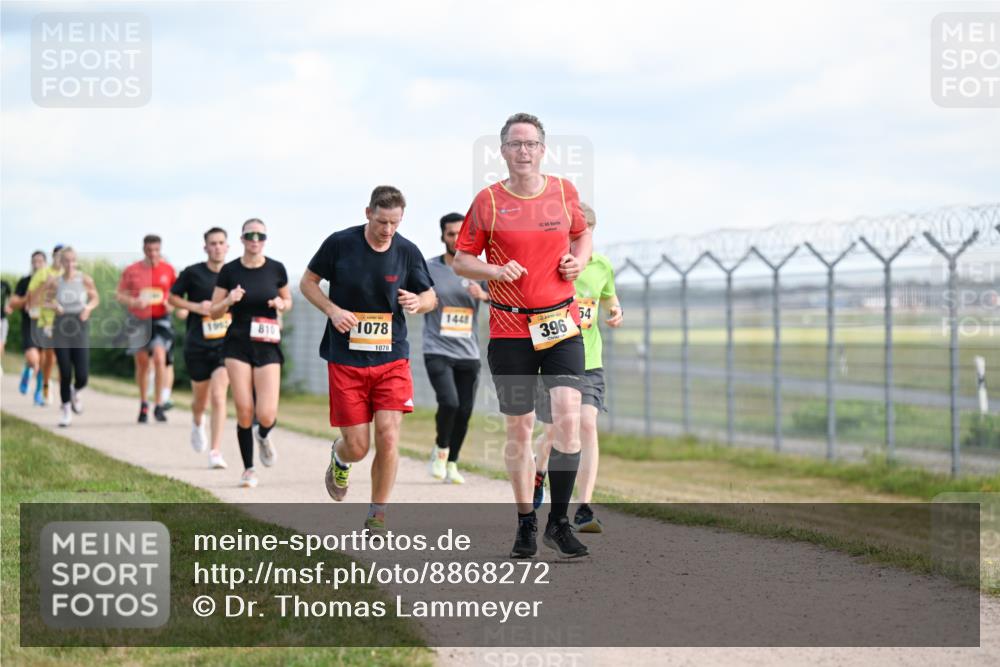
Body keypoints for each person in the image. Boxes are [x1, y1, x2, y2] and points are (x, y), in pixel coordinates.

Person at [453, 113, 593, 559]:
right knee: (520, 428)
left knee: (569, 416)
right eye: (515, 144)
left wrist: (579, 262)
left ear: (543, 149)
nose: (524, 151)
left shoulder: (562, 192)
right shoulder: (488, 202)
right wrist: (494, 270)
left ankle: (559, 521)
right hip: (510, 327)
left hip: (559, 324)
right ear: (503, 152)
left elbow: (581, 233)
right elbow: (462, 260)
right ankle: (525, 523)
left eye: (531, 144)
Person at [300, 185, 435, 532]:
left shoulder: (407, 251)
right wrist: (332, 309)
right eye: (382, 221)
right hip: (347, 360)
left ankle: (377, 513)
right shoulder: (340, 244)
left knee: (388, 436)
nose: (387, 230)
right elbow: (308, 283)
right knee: (358, 447)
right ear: (368, 213)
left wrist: (420, 303)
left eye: (394, 223)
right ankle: (341, 458)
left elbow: (429, 295)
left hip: (392, 359)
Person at [532, 203, 623, 532]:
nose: (577, 244)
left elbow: (609, 299)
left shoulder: (601, 266)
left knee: (587, 424)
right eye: (571, 237)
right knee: (555, 431)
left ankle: (584, 507)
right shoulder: (547, 264)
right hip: (554, 358)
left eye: (583, 237)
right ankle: (538, 472)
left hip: (590, 361)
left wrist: (615, 312)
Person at [210, 218, 291, 488]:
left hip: (267, 344)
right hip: (237, 344)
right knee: (245, 410)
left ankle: (264, 435)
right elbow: (213, 310)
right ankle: (248, 469)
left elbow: (287, 300)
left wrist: (282, 303)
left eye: (260, 236)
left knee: (266, 414)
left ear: (265, 239)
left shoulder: (277, 268)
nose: (255, 240)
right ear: (242, 239)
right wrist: (229, 300)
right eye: (250, 235)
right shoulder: (230, 271)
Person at [422, 212, 489, 484]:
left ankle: (452, 463)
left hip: (468, 352)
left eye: (461, 233)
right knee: (449, 402)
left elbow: (498, 300)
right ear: (442, 237)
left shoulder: (479, 268)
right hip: (437, 348)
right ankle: (440, 449)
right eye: (451, 234)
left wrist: (482, 295)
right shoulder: (428, 268)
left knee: (464, 410)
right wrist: (424, 299)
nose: (456, 239)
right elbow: (415, 295)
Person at [169, 227, 232, 468]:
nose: (217, 247)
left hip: (225, 345)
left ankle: (215, 451)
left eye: (221, 243)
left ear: (227, 246)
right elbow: (172, 298)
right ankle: (197, 422)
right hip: (197, 344)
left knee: (219, 395)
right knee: (200, 401)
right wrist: (197, 307)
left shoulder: (234, 273)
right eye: (212, 243)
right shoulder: (192, 273)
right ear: (206, 247)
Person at [116, 235, 177, 423]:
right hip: (138, 319)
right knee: (142, 362)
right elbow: (119, 295)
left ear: (160, 249)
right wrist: (134, 301)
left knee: (160, 357)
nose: (153, 254)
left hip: (161, 319)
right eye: (149, 250)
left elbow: (177, 297)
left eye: (156, 250)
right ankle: (144, 403)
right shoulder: (131, 270)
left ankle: (158, 404)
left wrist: (171, 305)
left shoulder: (168, 270)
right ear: (144, 250)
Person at [44, 247, 99, 427]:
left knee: (82, 375)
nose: (69, 264)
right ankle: (66, 410)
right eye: (65, 261)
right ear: (60, 262)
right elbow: (46, 300)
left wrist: (88, 308)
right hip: (61, 325)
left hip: (79, 324)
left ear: (76, 261)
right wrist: (54, 306)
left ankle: (76, 392)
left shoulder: (84, 279)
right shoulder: (55, 281)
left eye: (72, 260)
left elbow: (95, 298)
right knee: (65, 372)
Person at [27, 245, 65, 405]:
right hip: (46, 322)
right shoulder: (43, 273)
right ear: (54, 256)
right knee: (49, 356)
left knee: (63, 357)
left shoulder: (70, 274)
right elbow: (31, 298)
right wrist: (46, 284)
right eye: (58, 255)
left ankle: (65, 392)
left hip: (65, 322)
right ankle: (45, 385)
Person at [10, 251, 47, 400]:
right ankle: (29, 367)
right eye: (34, 261)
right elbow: (13, 302)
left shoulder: (50, 282)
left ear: (45, 264)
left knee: (43, 362)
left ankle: (38, 391)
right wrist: (28, 298)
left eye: (40, 261)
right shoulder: (24, 282)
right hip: (29, 325)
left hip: (45, 325)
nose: (37, 264)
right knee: (33, 359)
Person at [0, 279, 10, 373]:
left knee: (1, 343)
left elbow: (9, 298)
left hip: (2, 318)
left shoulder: (4, 284)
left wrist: (9, 307)